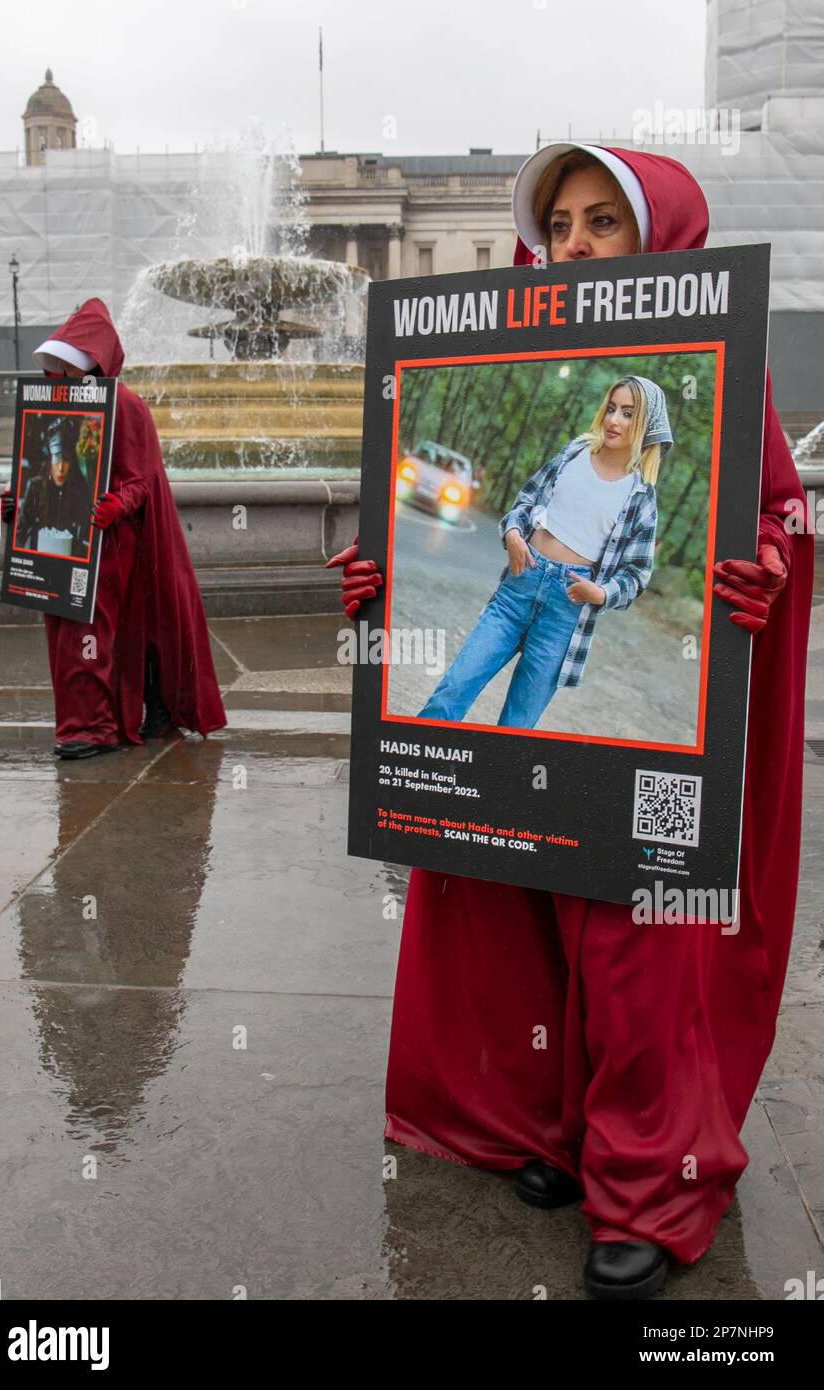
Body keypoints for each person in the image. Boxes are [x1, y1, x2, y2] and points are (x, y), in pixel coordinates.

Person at [327, 144, 814, 1298]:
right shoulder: (535, 384)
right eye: (560, 225)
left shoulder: (710, 384)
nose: (577, 245)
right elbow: (518, 503)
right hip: (515, 592)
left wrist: (769, 566)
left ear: (658, 242)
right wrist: (379, 573)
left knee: (637, 941)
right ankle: (558, 1134)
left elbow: (774, 509)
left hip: (638, 720)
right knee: (520, 900)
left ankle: (648, 1177)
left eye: (602, 222)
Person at [1, 298, 226, 759]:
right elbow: (43, 473)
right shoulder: (56, 404)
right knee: (68, 633)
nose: (62, 372)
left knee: (92, 633)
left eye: (71, 363)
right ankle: (83, 724)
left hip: (109, 546)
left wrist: (115, 505)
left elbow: (141, 477)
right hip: (64, 546)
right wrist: (19, 504)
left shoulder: (127, 406)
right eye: (59, 364)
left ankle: (94, 728)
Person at [418, 375, 670, 729]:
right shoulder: (574, 453)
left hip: (566, 609)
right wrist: (514, 534)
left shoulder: (641, 497)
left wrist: (599, 592)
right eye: (611, 408)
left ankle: (498, 783)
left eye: (628, 414)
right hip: (520, 586)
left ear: (646, 424)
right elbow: (526, 502)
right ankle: (420, 768)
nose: (614, 420)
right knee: (456, 686)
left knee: (518, 723)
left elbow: (637, 573)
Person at [15, 422, 92, 557]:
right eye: (56, 459)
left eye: (66, 460)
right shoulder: (36, 488)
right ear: (50, 459)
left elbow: (86, 535)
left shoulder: (80, 491)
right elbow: (20, 533)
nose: (60, 468)